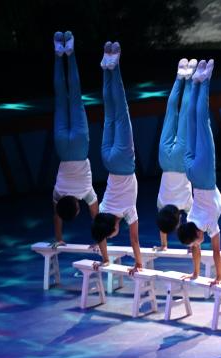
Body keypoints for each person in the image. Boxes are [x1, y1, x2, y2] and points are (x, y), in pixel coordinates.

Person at [90, 41, 141, 270]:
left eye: (111, 235)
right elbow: (99, 232)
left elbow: (134, 240)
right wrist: (105, 258)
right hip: (108, 161)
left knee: (120, 110)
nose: (111, 236)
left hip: (123, 161)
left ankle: (115, 64)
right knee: (109, 112)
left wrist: (138, 263)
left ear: (114, 228)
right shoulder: (102, 211)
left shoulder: (128, 212)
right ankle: (106, 67)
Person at [176, 60, 221, 285]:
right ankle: (195, 82)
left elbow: (216, 252)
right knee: (192, 123)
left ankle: (205, 80)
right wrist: (195, 274)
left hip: (204, 176)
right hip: (192, 175)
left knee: (202, 123)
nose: (196, 246)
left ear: (196, 235)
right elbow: (197, 249)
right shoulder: (190, 220)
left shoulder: (209, 224)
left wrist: (219, 277)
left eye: (194, 243)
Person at [51, 31, 99, 245]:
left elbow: (96, 217)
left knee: (76, 96)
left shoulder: (86, 193)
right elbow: (56, 216)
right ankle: (58, 54)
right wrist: (58, 237)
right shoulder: (57, 193)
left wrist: (98, 239)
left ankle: (69, 53)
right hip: (62, 147)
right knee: (61, 97)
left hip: (80, 147)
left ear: (78, 206)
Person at [156, 58, 195, 249]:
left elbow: (194, 225)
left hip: (180, 163)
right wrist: (163, 244)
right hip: (164, 160)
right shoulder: (161, 205)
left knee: (184, 113)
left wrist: (192, 244)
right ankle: (180, 76)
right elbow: (162, 225)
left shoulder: (186, 205)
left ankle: (189, 77)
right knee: (171, 113)